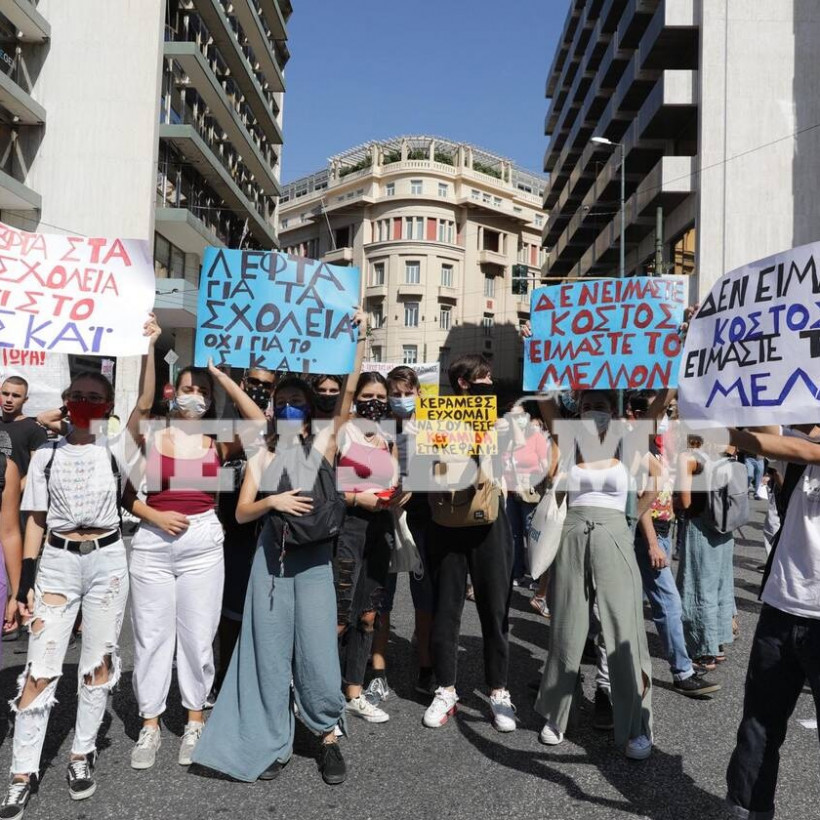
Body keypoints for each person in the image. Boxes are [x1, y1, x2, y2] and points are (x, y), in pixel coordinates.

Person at [0, 363, 141, 818]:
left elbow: (144, 406)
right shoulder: (46, 455)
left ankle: (82, 753)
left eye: (94, 397)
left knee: (98, 662)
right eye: (77, 395)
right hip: (58, 564)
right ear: (65, 401)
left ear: (108, 406)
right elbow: (34, 522)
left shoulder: (116, 449)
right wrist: (23, 586)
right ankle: (21, 773)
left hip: (107, 561)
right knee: (40, 667)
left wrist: (148, 346)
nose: (84, 403)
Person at [125, 331, 267, 770]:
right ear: (174, 392)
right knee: (151, 637)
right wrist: (148, 348)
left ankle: (194, 719)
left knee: (198, 636)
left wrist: (222, 378)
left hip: (202, 543)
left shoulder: (216, 441)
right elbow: (126, 495)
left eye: (202, 392)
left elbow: (259, 422)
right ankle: (150, 724)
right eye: (188, 388)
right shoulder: (150, 433)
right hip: (152, 542)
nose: (195, 397)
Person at [535, 389, 653, 760]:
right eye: (586, 407)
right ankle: (556, 714)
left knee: (623, 627)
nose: (592, 413)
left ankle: (636, 723)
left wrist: (630, 519)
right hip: (572, 533)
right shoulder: (569, 442)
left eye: (599, 407)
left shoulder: (627, 444)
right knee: (566, 626)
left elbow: (656, 480)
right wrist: (539, 364)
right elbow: (545, 401)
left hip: (613, 533)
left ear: (613, 412)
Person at [723, 425, 820, 820]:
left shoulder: (804, 450)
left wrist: (724, 431)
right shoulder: (798, 451)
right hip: (780, 607)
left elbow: (791, 445)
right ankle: (748, 810)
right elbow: (770, 423)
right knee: (759, 726)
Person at [423, 354, 518, 733]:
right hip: (447, 521)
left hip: (490, 522)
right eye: (484, 377)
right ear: (463, 382)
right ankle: (445, 689)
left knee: (495, 610)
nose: (490, 382)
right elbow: (424, 467)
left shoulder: (500, 419)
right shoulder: (435, 418)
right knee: (446, 608)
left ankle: (498, 690)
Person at [627, 391, 720, 699]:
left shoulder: (660, 446)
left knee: (631, 600)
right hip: (648, 533)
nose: (667, 418)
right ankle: (682, 672)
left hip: (663, 530)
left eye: (668, 412)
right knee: (668, 602)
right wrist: (653, 543)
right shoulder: (638, 446)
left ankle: (592, 646)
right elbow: (639, 502)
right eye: (662, 411)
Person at [335, 372, 405, 723]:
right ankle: (323, 692)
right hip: (347, 529)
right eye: (367, 396)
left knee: (367, 615)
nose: (374, 402)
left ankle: (354, 691)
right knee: (339, 616)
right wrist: (355, 498)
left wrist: (400, 494)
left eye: (380, 396)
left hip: (380, 530)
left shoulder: (387, 437)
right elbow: (325, 488)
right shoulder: (340, 432)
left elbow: (393, 481)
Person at [368, 366, 437, 701]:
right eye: (395, 394)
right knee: (383, 595)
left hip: (422, 521)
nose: (401, 399)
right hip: (385, 520)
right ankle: (377, 667)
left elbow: (444, 468)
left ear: (419, 394)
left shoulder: (431, 427)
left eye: (408, 394)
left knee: (424, 595)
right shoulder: (377, 428)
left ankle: (425, 662)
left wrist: (415, 484)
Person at [214, 367, 276, 699]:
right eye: (254, 383)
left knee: (264, 613)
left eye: (267, 385)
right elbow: (227, 451)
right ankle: (223, 677)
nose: (260, 389)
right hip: (229, 532)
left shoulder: (278, 425)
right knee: (230, 612)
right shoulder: (225, 422)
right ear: (243, 383)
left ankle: (255, 681)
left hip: (266, 532)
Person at [675, 435, 736, 671]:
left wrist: (670, 502)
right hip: (724, 526)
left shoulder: (688, 457)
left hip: (700, 526)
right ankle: (718, 644)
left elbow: (685, 501)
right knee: (721, 584)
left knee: (699, 587)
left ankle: (704, 650)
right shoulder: (726, 451)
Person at [503, 401, 550, 589]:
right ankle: (517, 573)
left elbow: (546, 465)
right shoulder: (505, 439)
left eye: (520, 416)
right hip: (510, 493)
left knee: (532, 535)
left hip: (530, 494)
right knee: (513, 534)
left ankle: (537, 576)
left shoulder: (536, 437)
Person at [0, 377, 49, 489]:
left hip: (16, 496)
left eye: (16, 396)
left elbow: (36, 470)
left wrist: (13, 493)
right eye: (5, 394)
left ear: (25, 400)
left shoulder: (34, 429)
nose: (9, 399)